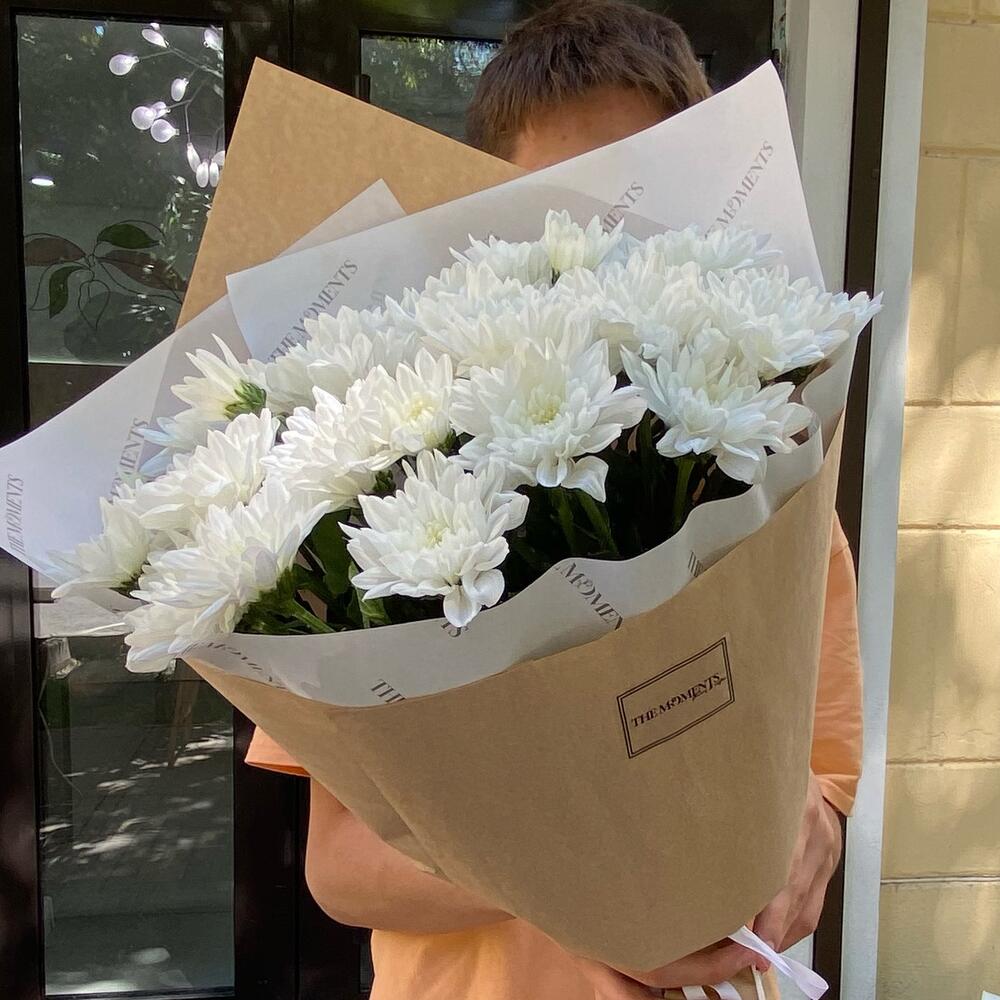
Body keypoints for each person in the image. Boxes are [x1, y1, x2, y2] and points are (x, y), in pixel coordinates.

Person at [247, 2, 864, 997]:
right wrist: (595, 892)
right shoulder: (385, 505)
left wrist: (808, 837)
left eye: (631, 205)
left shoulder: (776, 504)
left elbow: (821, 786)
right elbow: (341, 865)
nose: (593, 249)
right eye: (555, 211)